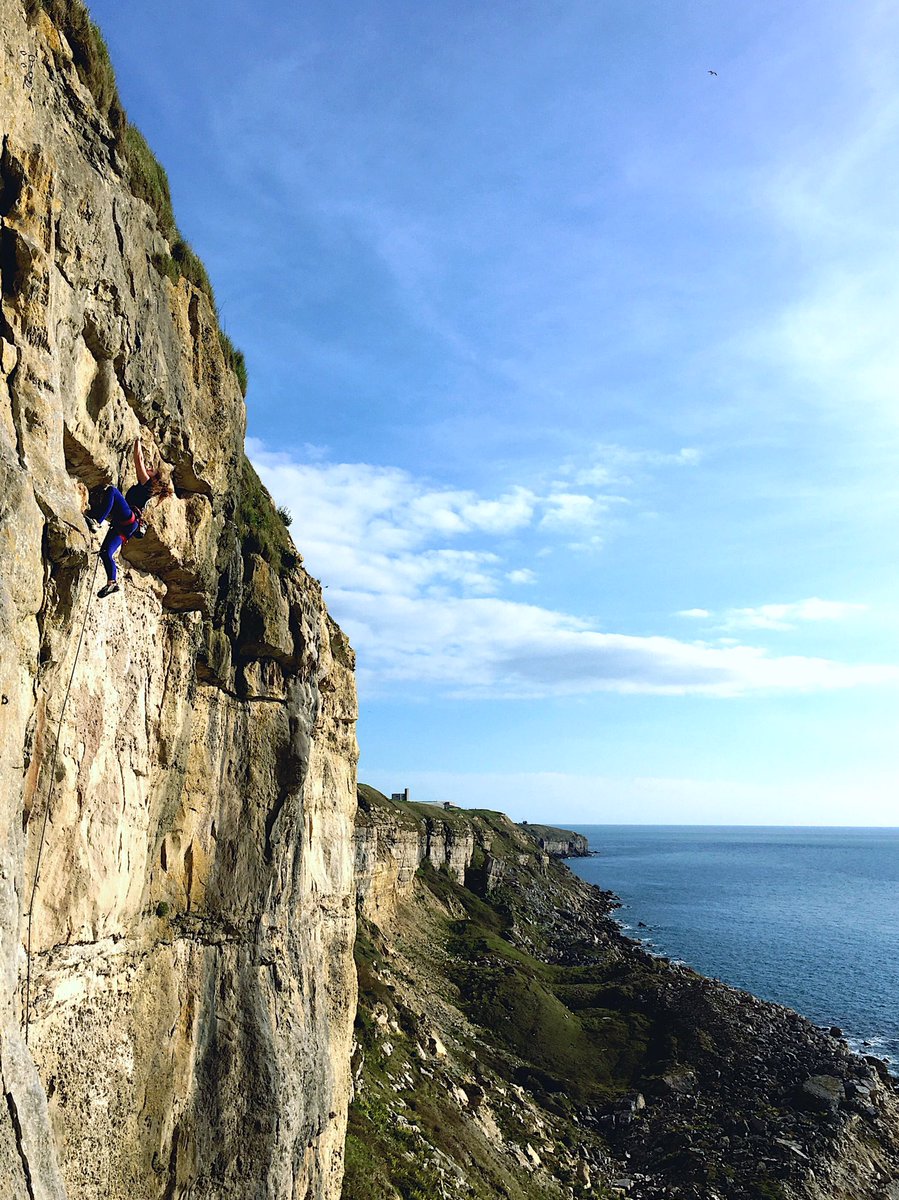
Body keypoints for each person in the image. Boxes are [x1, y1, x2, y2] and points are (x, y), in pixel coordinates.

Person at [85, 439, 173, 598]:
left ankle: (97, 522)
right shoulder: (150, 492)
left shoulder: (147, 484)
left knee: (112, 491)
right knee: (106, 552)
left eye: (152, 469)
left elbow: (138, 458)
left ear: (154, 478)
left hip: (129, 519)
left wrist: (137, 440)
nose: (149, 468)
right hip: (127, 526)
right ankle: (112, 582)